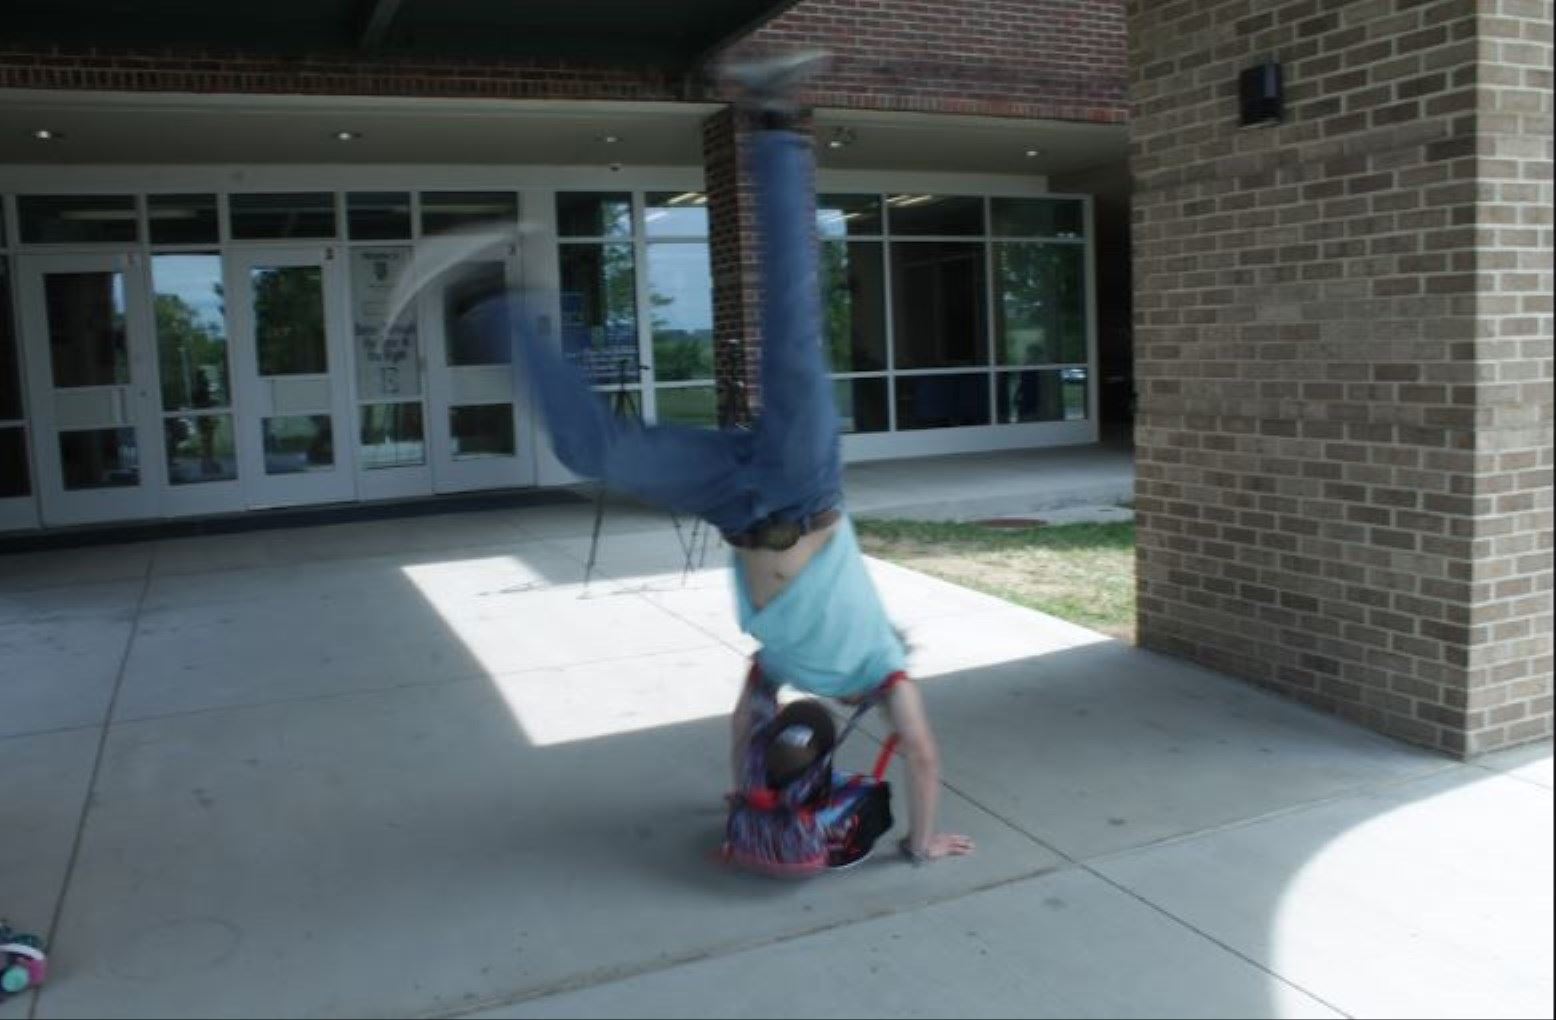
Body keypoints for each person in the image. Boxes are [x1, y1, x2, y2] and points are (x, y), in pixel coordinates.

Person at [505, 51, 974, 865]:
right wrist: (921, 841)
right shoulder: (884, 669)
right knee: (790, 324)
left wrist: (741, 795)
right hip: (802, 485)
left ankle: (502, 309)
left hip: (731, 498)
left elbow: (742, 725)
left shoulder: (781, 664)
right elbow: (925, 756)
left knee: (591, 448)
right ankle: (778, 118)